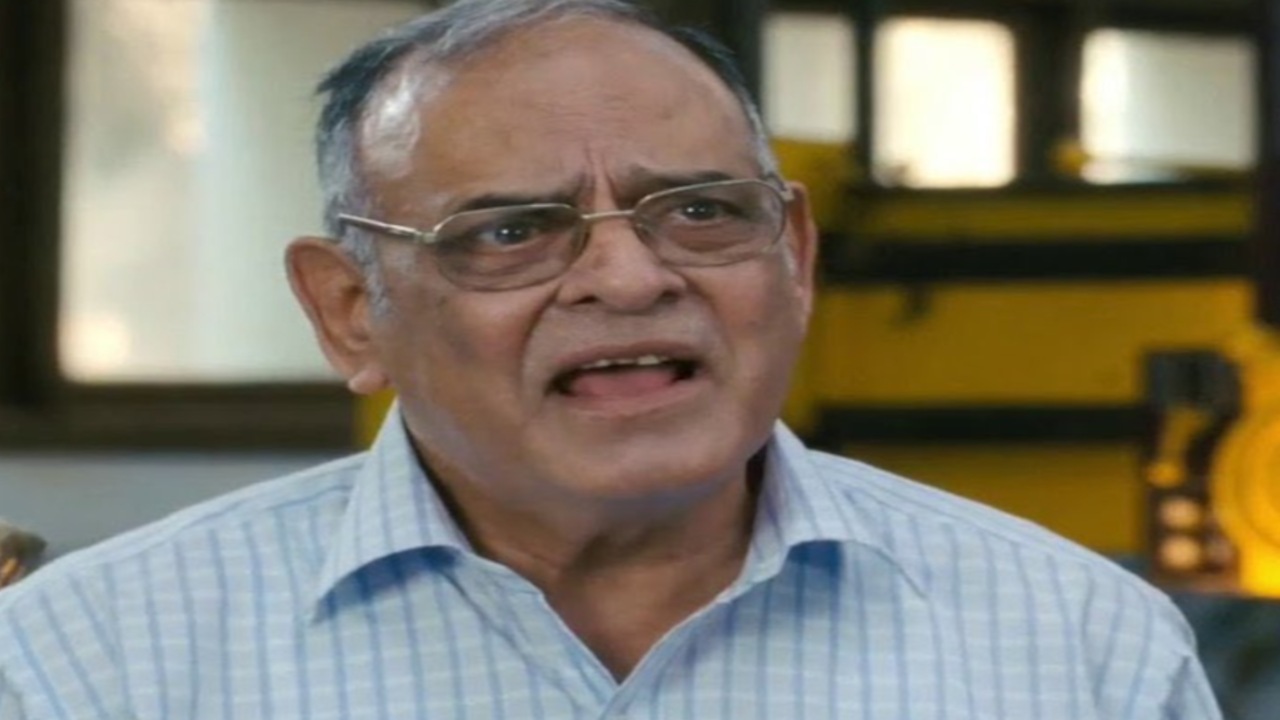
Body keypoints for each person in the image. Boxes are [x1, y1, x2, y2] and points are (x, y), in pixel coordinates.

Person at [0, 1, 1222, 717]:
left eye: (698, 211)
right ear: (349, 312)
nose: (630, 278)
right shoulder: (94, 661)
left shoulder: (1074, 646)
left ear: (793, 254)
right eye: (510, 233)